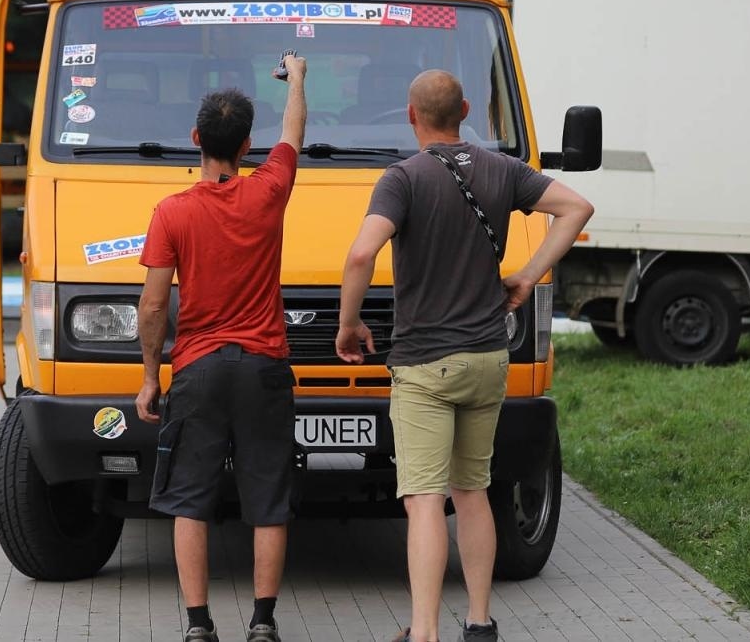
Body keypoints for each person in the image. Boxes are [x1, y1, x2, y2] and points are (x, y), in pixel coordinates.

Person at [335, 70, 594, 642]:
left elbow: (360, 257)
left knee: (425, 500)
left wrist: (349, 325)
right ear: (467, 110)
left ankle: (424, 633)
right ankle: (479, 624)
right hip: (487, 359)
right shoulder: (501, 169)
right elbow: (577, 207)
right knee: (473, 492)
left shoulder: (402, 178)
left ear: (411, 116)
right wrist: (528, 273)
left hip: (426, 364)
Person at [135, 53, 309, 642]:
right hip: (264, 365)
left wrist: (150, 377)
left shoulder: (172, 212)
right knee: (268, 498)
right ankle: (262, 623)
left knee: (190, 497)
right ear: (247, 145)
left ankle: (198, 624)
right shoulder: (269, 193)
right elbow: (294, 134)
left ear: (194, 140)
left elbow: (155, 306)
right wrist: (298, 80)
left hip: (199, 369)